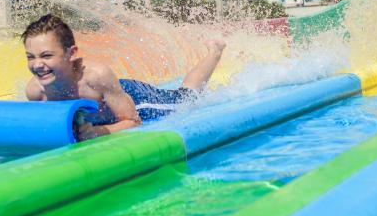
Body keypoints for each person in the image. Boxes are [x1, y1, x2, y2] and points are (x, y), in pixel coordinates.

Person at [22, 13, 225, 140]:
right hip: (113, 97)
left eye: (47, 56)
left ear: (71, 53)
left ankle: (215, 51)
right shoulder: (36, 92)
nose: (37, 65)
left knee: (184, 99)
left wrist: (98, 133)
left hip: (135, 99)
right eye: (31, 57)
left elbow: (134, 121)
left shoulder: (95, 77)